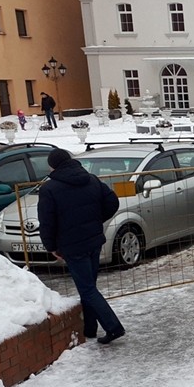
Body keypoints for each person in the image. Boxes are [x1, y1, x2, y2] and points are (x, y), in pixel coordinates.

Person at [38, 148, 125, 345]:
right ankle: (90, 328)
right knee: (90, 286)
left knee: (86, 289)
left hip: (72, 246)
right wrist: (96, 221)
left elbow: (47, 222)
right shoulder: (91, 179)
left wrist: (51, 246)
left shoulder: (49, 189)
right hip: (93, 241)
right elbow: (112, 202)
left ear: (53, 166)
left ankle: (113, 327)